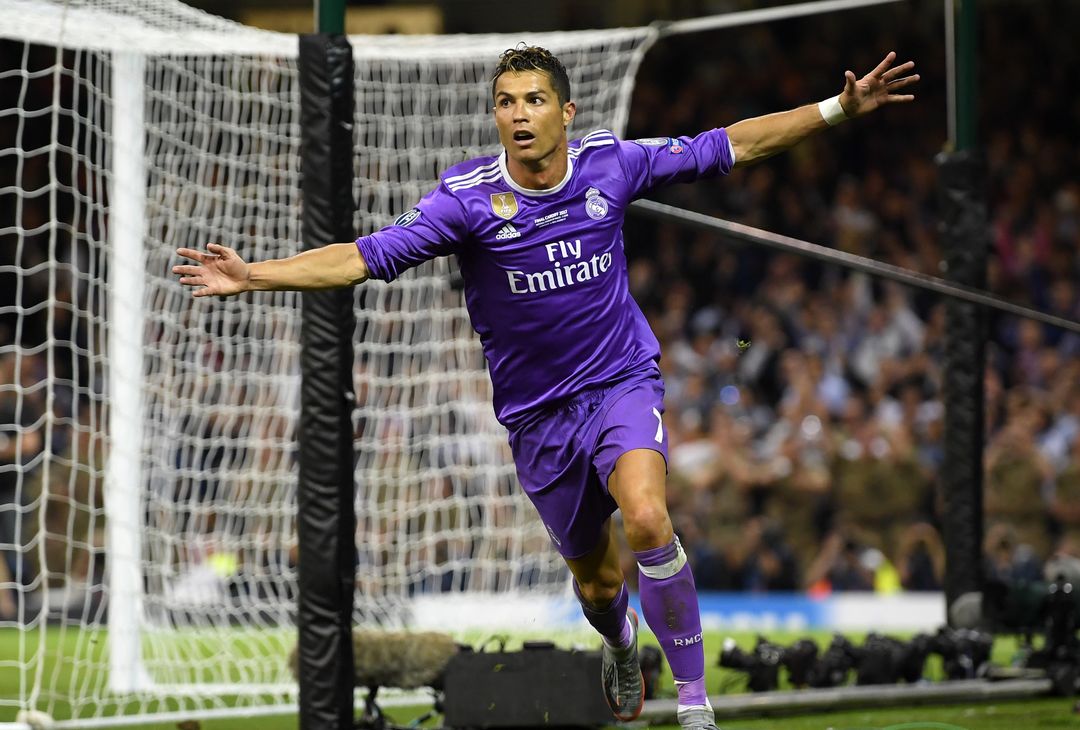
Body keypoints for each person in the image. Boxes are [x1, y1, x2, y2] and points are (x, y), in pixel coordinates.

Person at [174, 45, 917, 730]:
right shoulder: (464, 201)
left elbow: (734, 143)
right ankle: (621, 643)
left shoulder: (611, 164)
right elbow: (362, 258)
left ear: (564, 112)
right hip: (537, 419)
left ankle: (694, 702)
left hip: (619, 380)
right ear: (495, 114)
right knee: (596, 588)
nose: (519, 114)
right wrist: (255, 275)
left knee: (650, 519)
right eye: (506, 101)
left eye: (533, 100)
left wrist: (839, 108)